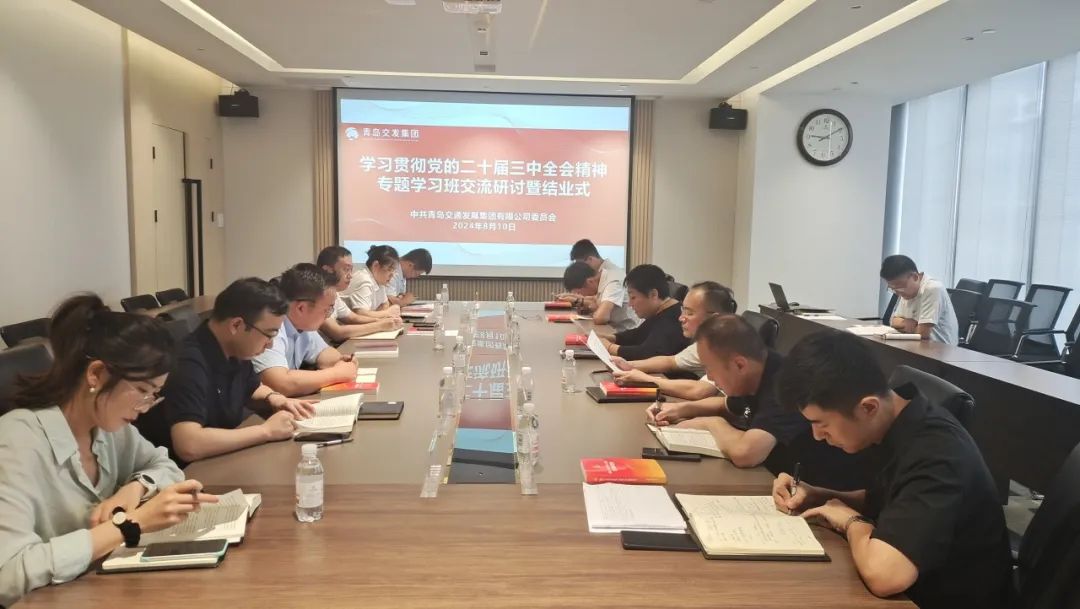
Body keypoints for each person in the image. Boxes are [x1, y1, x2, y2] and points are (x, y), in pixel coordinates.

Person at [0, 294, 218, 606]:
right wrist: (130, 525)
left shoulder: (106, 426)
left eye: (154, 394)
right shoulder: (16, 442)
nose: (146, 407)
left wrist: (136, 487)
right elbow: (7, 575)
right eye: (142, 391)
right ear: (97, 374)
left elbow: (164, 463)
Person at [773, 331, 1011, 608]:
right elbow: (892, 499)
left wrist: (851, 521)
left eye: (822, 424)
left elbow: (885, 576)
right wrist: (820, 495)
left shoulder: (937, 454)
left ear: (868, 407)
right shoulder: (896, 422)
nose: (817, 436)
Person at [651, 315, 870, 490]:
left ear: (739, 365)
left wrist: (711, 423)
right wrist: (681, 409)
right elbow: (727, 405)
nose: (709, 376)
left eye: (710, 368)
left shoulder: (785, 383)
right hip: (782, 483)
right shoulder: (756, 371)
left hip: (818, 489)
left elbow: (746, 454)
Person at [136, 278, 319, 466]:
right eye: (269, 334)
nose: (270, 344)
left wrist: (275, 398)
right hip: (188, 472)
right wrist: (266, 431)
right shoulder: (188, 362)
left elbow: (252, 387)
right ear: (236, 325)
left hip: (223, 460)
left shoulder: (235, 349)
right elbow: (189, 444)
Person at [253, 263, 359, 396]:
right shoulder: (271, 327)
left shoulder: (303, 326)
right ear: (301, 308)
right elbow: (281, 384)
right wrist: (337, 374)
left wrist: (342, 361)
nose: (328, 315)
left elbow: (324, 354)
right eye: (327, 309)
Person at [612, 281, 737, 379]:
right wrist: (628, 365)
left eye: (689, 313)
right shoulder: (704, 343)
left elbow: (699, 390)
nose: (681, 318)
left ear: (713, 319)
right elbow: (670, 361)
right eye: (683, 310)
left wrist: (647, 379)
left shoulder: (724, 350)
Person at [595, 264, 690, 360]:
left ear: (653, 294)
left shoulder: (673, 319)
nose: (630, 304)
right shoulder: (661, 311)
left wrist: (609, 347)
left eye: (633, 297)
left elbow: (649, 353)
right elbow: (638, 334)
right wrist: (611, 338)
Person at [316, 246, 402, 342]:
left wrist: (384, 321)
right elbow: (337, 333)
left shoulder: (334, 293)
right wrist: (380, 325)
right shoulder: (315, 294)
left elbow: (353, 317)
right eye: (346, 269)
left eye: (351, 270)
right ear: (327, 270)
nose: (350, 276)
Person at [558, 238, 639, 332]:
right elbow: (596, 300)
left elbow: (601, 317)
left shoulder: (613, 279)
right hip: (611, 327)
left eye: (580, 264)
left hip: (623, 331)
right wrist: (577, 299)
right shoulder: (601, 275)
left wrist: (586, 304)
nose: (580, 268)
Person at [880, 255, 959, 345]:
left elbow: (923, 333)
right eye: (893, 288)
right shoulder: (906, 291)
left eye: (900, 287)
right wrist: (907, 323)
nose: (897, 292)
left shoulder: (932, 288)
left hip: (939, 349)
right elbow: (893, 321)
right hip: (915, 345)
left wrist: (905, 324)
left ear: (915, 277)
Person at [340, 245, 401, 319]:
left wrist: (382, 313)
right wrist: (388, 313)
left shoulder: (379, 280)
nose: (392, 275)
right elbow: (361, 314)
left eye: (394, 270)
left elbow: (385, 304)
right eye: (389, 269)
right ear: (376, 265)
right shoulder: (364, 279)